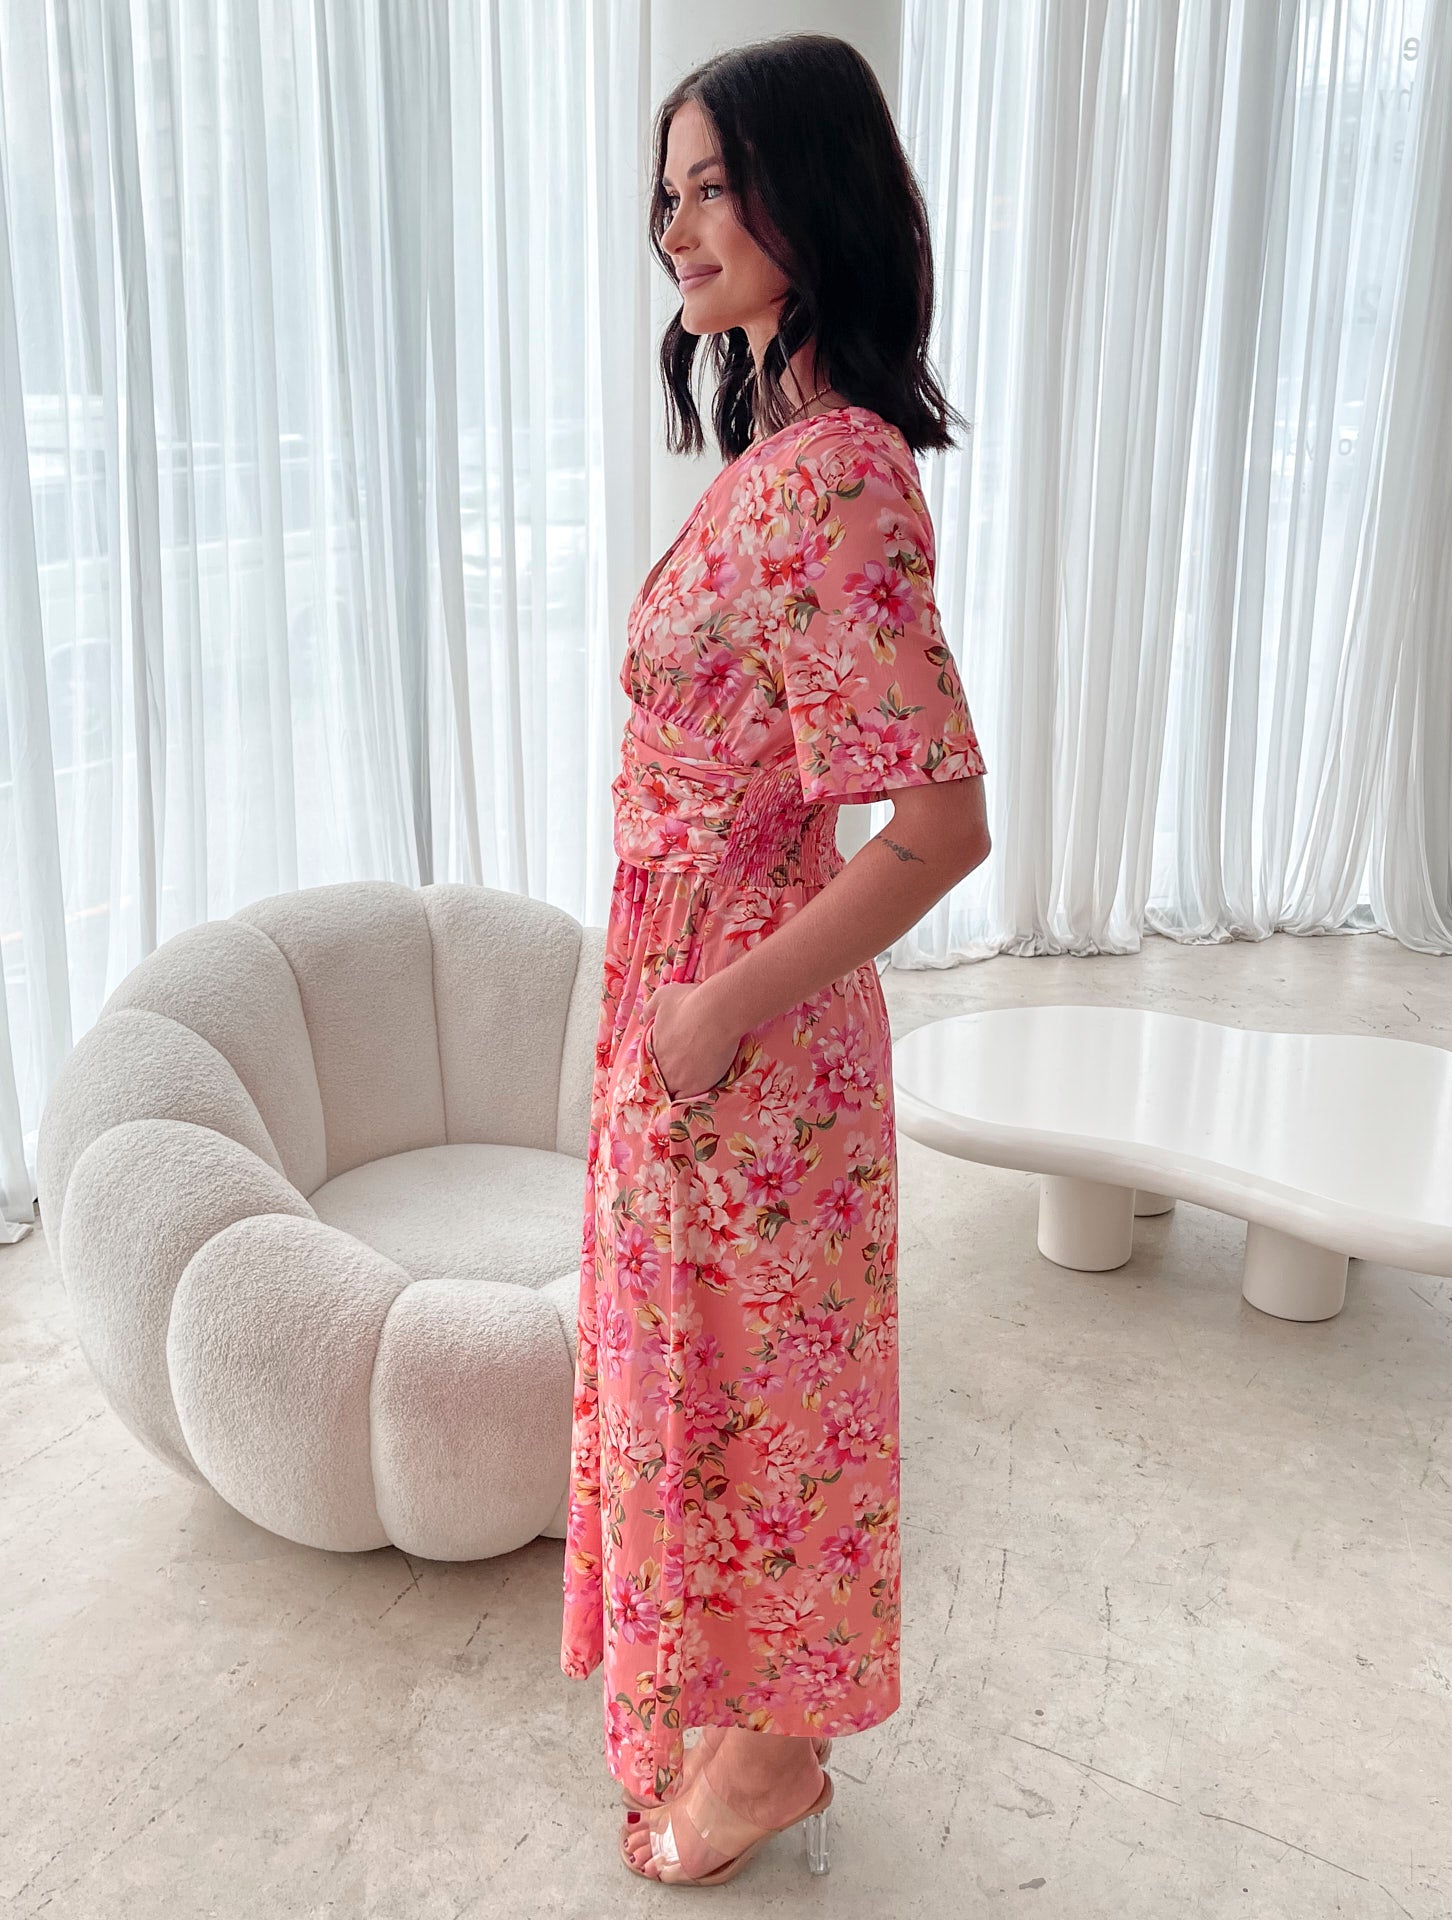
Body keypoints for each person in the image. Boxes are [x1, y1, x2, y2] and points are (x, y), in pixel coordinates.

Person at [558, 31, 990, 1887]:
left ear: (808, 192)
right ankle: (744, 1727)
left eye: (713, 183)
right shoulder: (778, 448)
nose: (676, 225)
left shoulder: (839, 476)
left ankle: (778, 1755)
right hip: (694, 1006)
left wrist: (725, 1006)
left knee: (770, 1390)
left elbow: (944, 829)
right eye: (666, 191)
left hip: (755, 1021)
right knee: (711, 1384)